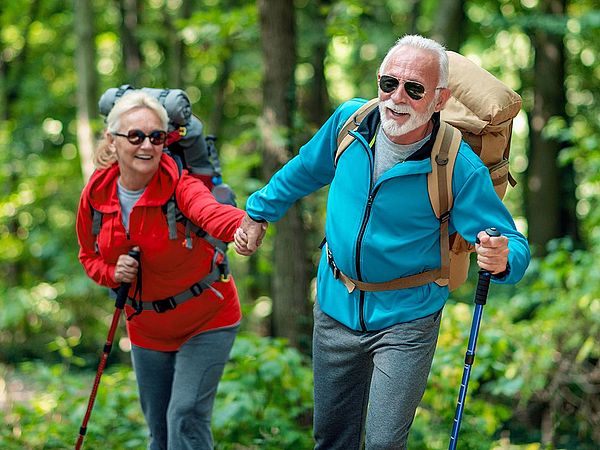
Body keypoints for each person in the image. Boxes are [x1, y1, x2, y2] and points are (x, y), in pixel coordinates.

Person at [235, 35, 530, 449]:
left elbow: (514, 244)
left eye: (414, 89)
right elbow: (304, 168)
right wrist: (258, 211)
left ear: (439, 99)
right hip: (335, 303)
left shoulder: (456, 165)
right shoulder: (349, 124)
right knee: (331, 438)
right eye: (388, 83)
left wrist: (502, 257)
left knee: (383, 443)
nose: (397, 98)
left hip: (406, 319)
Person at [76, 91, 254, 450]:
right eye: (136, 136)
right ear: (112, 140)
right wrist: (113, 273)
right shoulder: (96, 195)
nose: (147, 146)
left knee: (184, 416)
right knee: (159, 431)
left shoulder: (179, 185)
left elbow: (209, 212)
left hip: (207, 316)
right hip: (147, 327)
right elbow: (88, 257)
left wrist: (243, 225)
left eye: (156, 137)